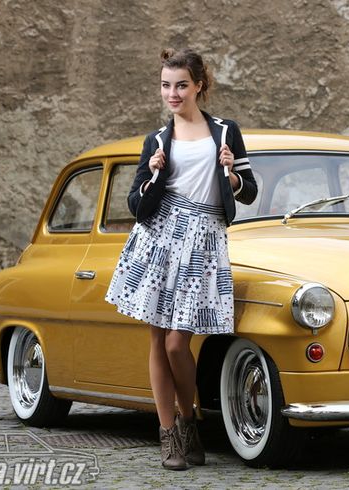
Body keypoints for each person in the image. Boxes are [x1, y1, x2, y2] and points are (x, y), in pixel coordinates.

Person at [105, 48, 258, 470]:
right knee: (158, 339)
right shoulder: (156, 140)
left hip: (205, 240)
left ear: (199, 86)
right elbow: (137, 205)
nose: (172, 93)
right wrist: (154, 173)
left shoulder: (226, 132)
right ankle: (169, 433)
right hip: (160, 236)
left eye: (181, 85)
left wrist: (231, 175)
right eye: (165, 85)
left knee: (178, 342)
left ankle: (189, 419)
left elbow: (249, 192)